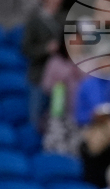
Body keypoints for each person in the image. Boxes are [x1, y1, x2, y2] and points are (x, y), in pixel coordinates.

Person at [23, 0, 64, 129]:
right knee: (36, 117)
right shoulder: (35, 21)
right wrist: (46, 49)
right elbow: (26, 49)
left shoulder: (62, 19)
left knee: (56, 116)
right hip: (39, 77)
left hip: (59, 80)